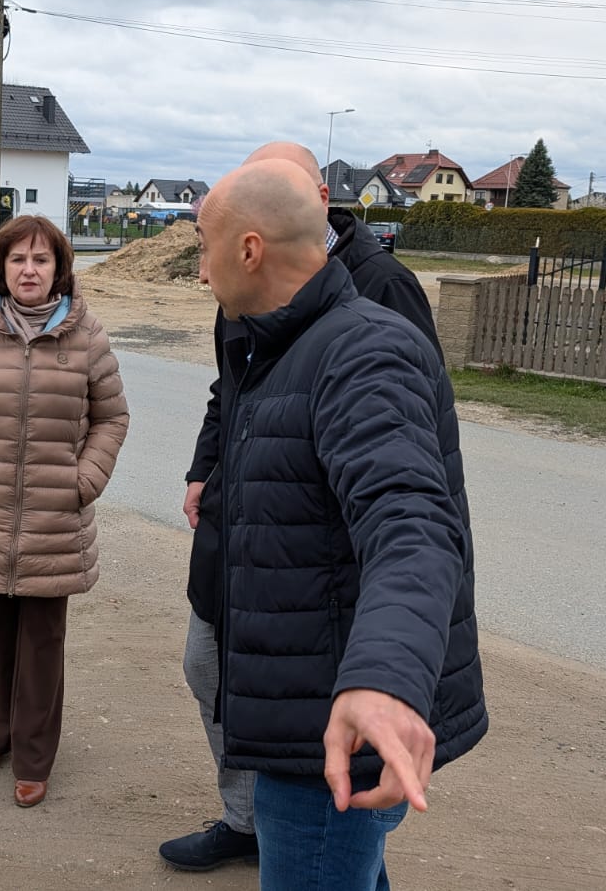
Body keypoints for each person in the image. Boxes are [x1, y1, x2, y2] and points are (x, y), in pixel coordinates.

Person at [191, 158, 487, 891]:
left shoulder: (360, 353)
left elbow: (413, 522)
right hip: (303, 707)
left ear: (249, 249)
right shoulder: (276, 343)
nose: (199, 271)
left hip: (331, 729)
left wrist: (384, 678)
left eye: (203, 245)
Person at [0, 214, 129, 809]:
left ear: (59, 269)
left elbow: (113, 416)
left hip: (54, 515)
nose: (29, 270)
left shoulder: (87, 336)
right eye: (18, 259)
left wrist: (85, 479)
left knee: (42, 640)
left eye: (41, 260)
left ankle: (35, 758)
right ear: (0, 267)